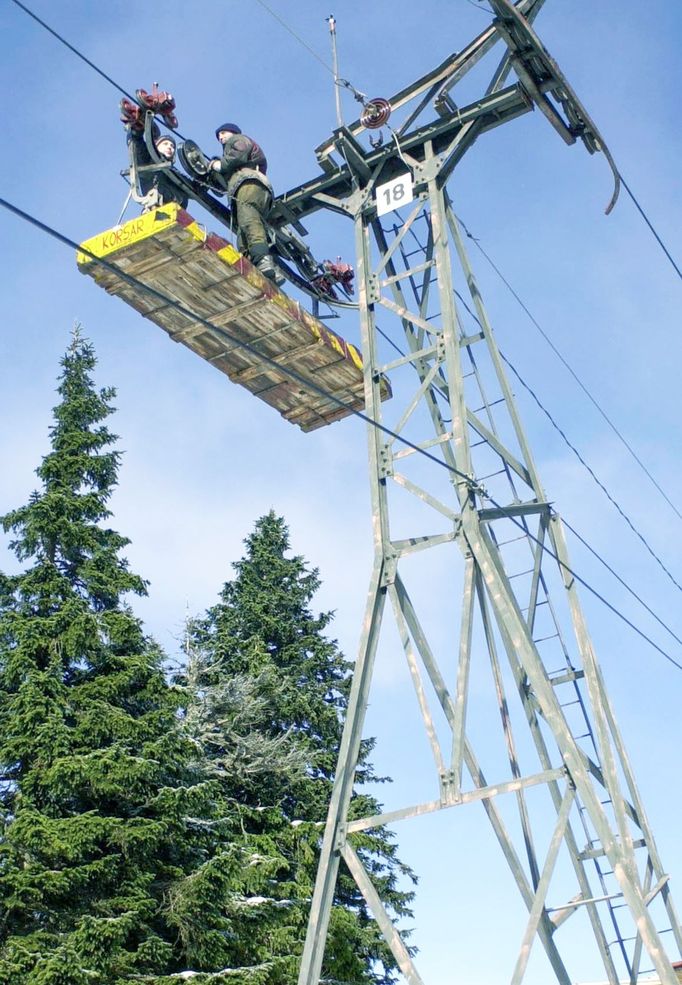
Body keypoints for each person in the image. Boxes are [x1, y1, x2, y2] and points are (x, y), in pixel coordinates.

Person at [209, 123, 282, 284]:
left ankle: (262, 260)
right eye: (219, 136)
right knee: (243, 231)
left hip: (248, 184)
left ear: (233, 132)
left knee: (249, 221)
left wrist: (219, 164)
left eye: (223, 133)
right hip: (254, 189)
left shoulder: (238, 140)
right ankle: (258, 267)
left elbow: (238, 154)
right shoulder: (236, 159)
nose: (221, 137)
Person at [127, 127, 188, 210]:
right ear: (156, 146)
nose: (170, 147)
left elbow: (196, 189)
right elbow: (137, 144)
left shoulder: (175, 173)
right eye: (165, 144)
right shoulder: (147, 160)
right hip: (156, 209)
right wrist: (137, 128)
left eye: (172, 146)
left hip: (178, 216)